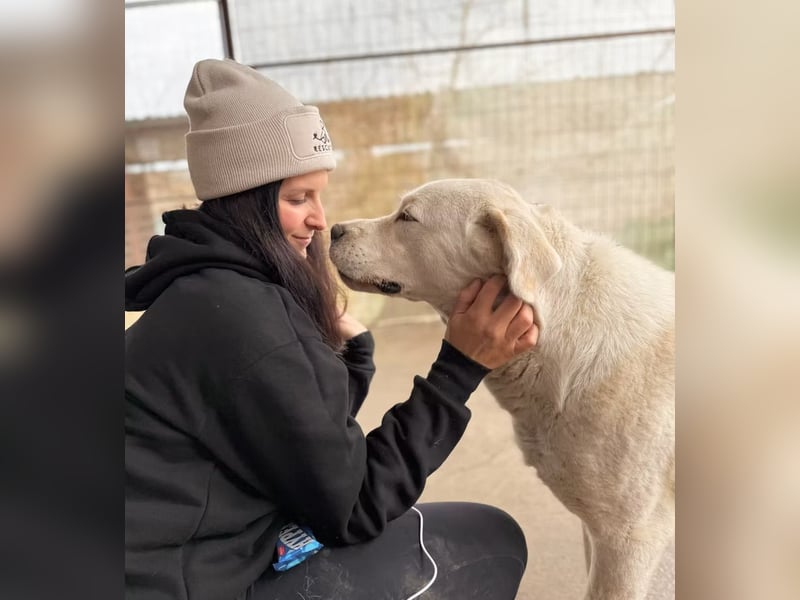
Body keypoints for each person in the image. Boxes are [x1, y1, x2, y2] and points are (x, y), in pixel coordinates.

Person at [125, 58, 539, 600]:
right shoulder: (244, 318)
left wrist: (351, 354)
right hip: (186, 584)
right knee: (491, 542)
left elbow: (302, 443)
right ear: (245, 201)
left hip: (185, 557)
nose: (320, 219)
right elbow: (354, 507)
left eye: (318, 195)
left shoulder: (203, 291)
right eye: (298, 198)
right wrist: (459, 368)